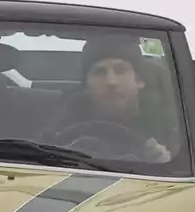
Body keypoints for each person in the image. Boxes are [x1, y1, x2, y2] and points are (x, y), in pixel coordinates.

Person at [49, 35, 175, 163]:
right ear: (86, 85)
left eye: (120, 70)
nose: (111, 82)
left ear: (139, 80)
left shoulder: (169, 125)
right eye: (100, 72)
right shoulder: (64, 121)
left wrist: (164, 163)